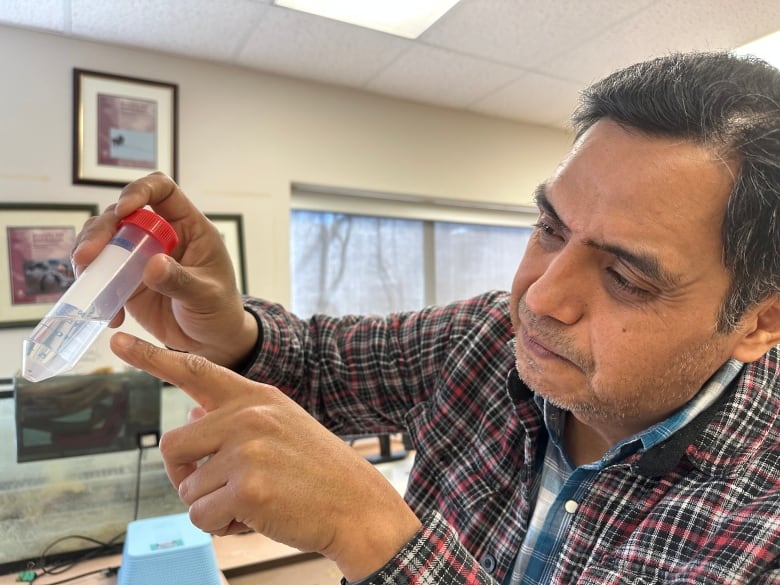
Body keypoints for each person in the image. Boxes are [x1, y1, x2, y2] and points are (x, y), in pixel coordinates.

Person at [73, 51, 780, 584]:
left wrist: (369, 527)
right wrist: (230, 329)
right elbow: (322, 362)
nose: (538, 297)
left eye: (625, 276)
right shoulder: (484, 340)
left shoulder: (763, 524)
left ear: (759, 320)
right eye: (550, 228)